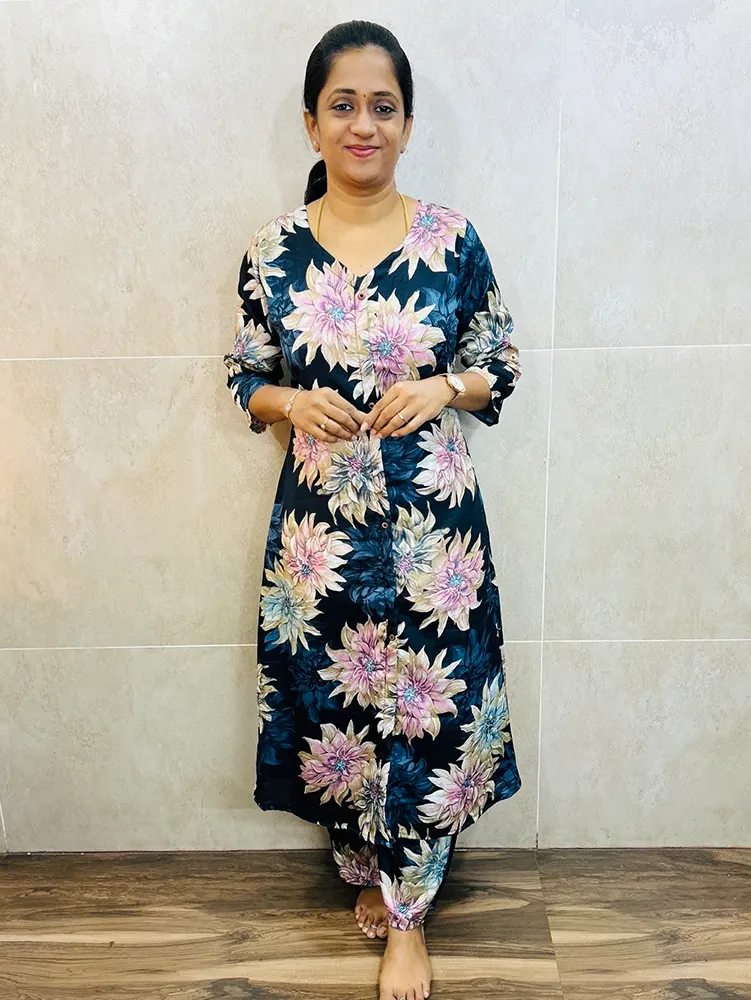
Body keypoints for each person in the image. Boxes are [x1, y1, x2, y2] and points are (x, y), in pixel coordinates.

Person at [223, 20, 523, 1000]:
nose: (363, 124)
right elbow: (245, 374)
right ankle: (370, 868)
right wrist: (287, 402)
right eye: (343, 105)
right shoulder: (272, 252)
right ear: (312, 124)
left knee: (428, 712)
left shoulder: (452, 241)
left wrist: (444, 388)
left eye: (382, 107)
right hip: (321, 538)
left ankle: (407, 919)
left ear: (407, 123)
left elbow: (498, 363)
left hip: (434, 538)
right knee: (340, 710)